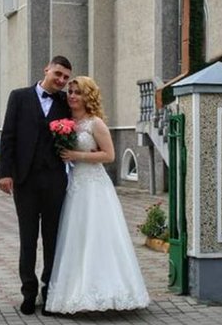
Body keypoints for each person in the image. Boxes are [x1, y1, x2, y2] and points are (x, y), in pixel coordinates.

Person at [45, 76, 150, 314]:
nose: (72, 96)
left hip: (94, 186)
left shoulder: (95, 124)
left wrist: (77, 155)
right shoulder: (66, 122)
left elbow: (110, 156)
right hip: (74, 185)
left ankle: (109, 292)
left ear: (87, 96)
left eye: (77, 92)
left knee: (98, 236)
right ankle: (75, 292)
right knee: (76, 237)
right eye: (70, 92)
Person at [0, 55, 72, 316]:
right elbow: (8, 136)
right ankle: (28, 293)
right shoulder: (18, 97)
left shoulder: (65, 103)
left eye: (65, 78)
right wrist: (4, 173)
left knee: (53, 239)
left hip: (55, 181)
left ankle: (49, 291)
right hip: (25, 181)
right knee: (27, 239)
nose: (61, 80)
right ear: (47, 69)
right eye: (58, 74)